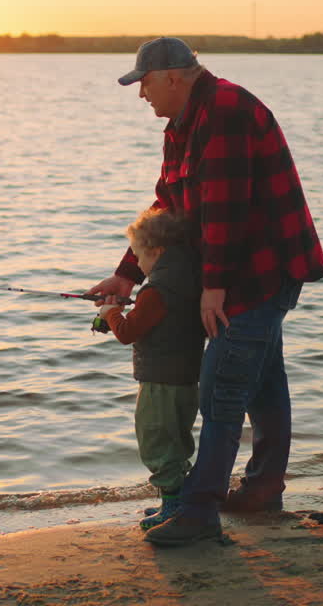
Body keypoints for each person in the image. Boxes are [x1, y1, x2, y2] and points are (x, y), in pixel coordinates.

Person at [89, 36, 323, 547]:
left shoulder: (224, 113)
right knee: (262, 381)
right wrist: (128, 275)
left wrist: (212, 289)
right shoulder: (182, 125)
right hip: (234, 271)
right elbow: (168, 208)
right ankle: (263, 488)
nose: (141, 95)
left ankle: (199, 511)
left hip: (261, 271)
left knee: (220, 385)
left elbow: (225, 212)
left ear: (174, 76)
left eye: (145, 83)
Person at [96, 207, 205, 531]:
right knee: (176, 439)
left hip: (160, 381)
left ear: (156, 252)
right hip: (185, 378)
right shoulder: (187, 277)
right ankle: (177, 501)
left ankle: (173, 506)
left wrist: (110, 311)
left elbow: (128, 334)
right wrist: (114, 313)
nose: (138, 266)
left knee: (156, 441)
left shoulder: (157, 290)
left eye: (138, 257)